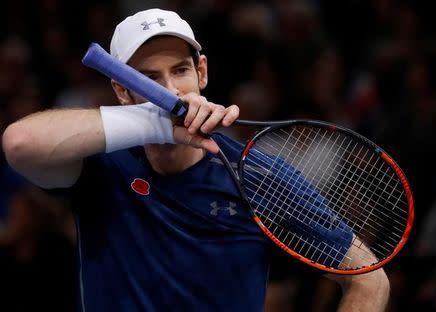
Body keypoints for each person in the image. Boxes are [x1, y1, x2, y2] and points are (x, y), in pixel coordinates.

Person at [1, 8, 389, 312]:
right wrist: (159, 124)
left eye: (181, 71)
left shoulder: (258, 175)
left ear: (201, 72)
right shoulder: (100, 163)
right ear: (121, 90)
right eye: (147, 79)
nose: (170, 91)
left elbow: (370, 279)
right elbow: (19, 142)